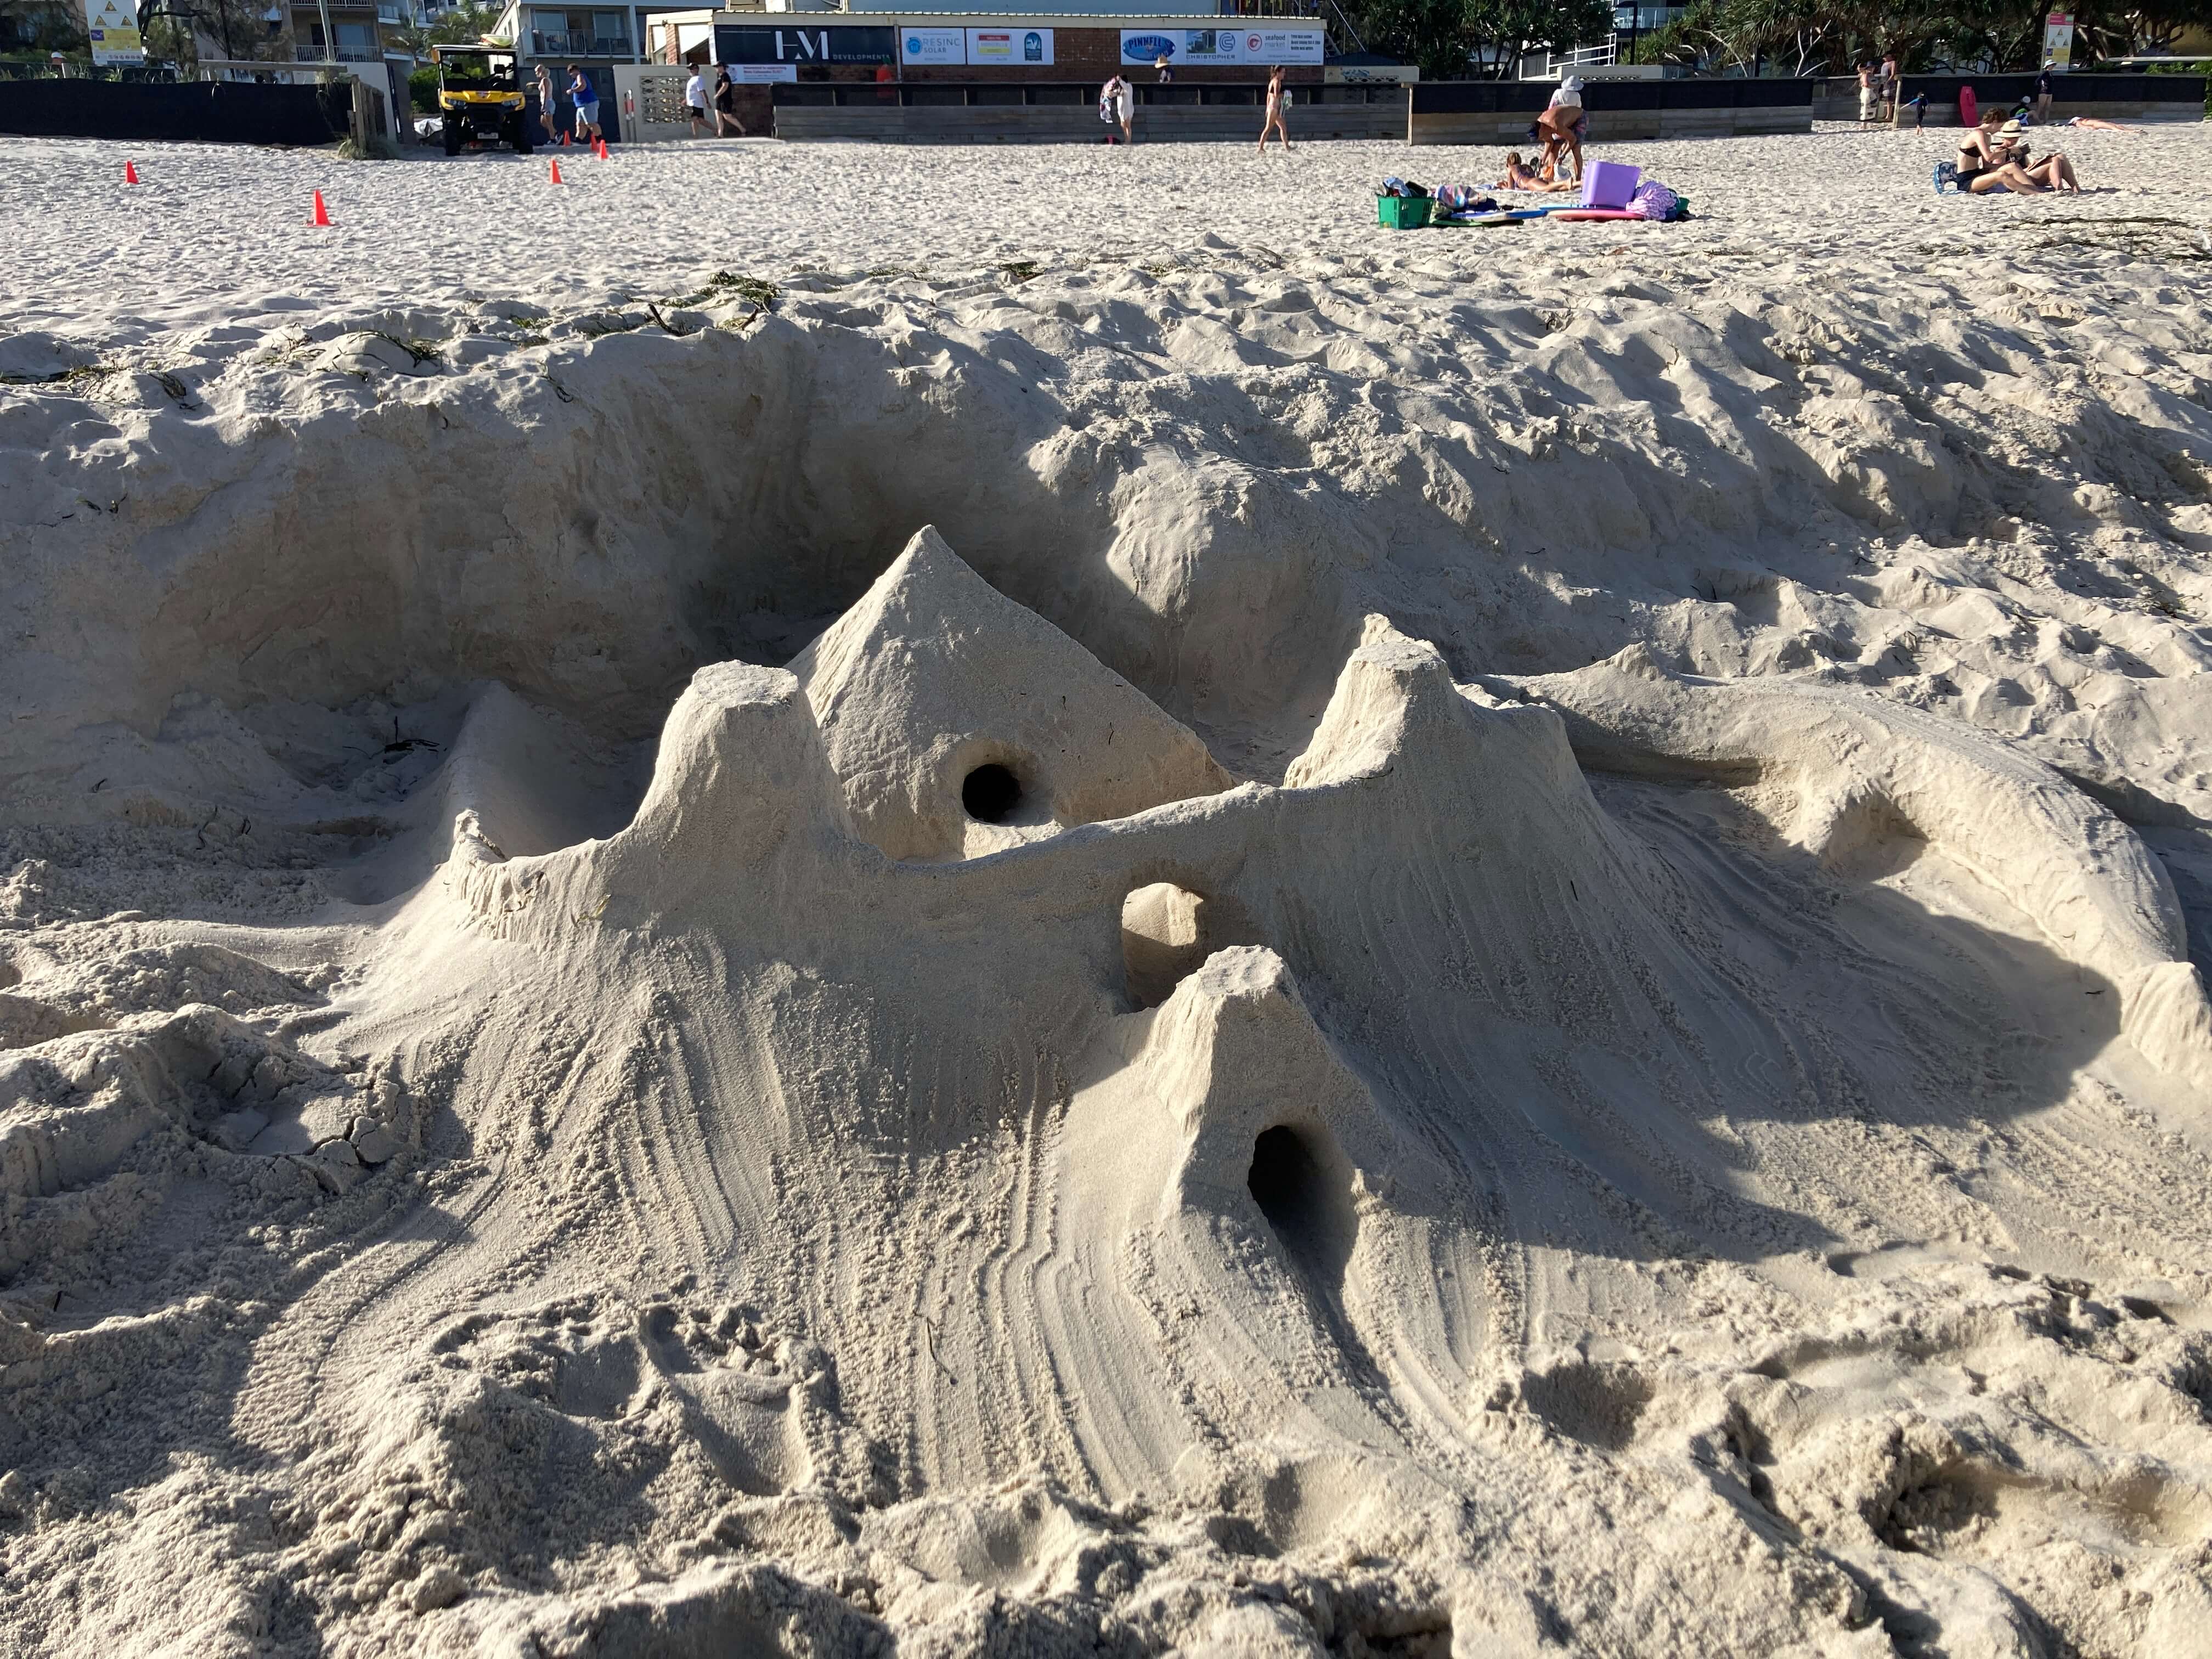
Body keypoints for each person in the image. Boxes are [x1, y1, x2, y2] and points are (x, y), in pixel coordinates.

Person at [1995, 119, 2078, 191]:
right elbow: (1999, 171)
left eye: (2016, 138)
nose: (2014, 140)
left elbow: (2026, 165)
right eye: (2011, 138)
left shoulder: (2016, 149)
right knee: (2055, 160)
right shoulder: (2000, 151)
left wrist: (2032, 165)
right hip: (2019, 178)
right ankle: (2059, 188)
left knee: (2060, 156)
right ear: (2004, 138)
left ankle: (2075, 187)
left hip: (2027, 174)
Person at [1534, 75, 1585, 179]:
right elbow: (1577, 109)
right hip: (1572, 120)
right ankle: (1578, 178)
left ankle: (1550, 175)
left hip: (1560, 121)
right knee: (1576, 151)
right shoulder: (1577, 96)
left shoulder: (1558, 92)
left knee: (1555, 148)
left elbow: (1551, 107)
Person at [1496, 150, 1577, 193]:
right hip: (1536, 180)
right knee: (1555, 188)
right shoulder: (1526, 167)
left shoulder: (1511, 168)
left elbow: (1511, 189)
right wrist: (1506, 182)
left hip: (1529, 184)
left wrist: (1502, 186)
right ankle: (1578, 184)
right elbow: (1529, 178)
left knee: (1546, 189)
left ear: (1509, 162)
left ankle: (1565, 182)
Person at [1256, 65, 1291, 152]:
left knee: (1283, 127)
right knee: (1268, 128)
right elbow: (1276, 95)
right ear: (1278, 73)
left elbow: (1269, 95)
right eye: (1283, 72)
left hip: (1273, 108)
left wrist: (1267, 107)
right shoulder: (1277, 82)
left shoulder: (1272, 81)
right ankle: (1260, 147)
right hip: (1275, 108)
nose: (1284, 74)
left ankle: (1287, 147)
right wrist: (1286, 94)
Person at [568, 65, 600, 145]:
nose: (571, 75)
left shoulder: (580, 76)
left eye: (571, 72)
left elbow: (583, 86)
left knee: (591, 123)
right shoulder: (577, 79)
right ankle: (579, 140)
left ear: (575, 71)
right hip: (581, 105)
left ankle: (599, 140)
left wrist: (572, 90)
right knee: (580, 124)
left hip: (588, 103)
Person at [712, 64, 745, 136]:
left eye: (717, 67)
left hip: (725, 99)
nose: (716, 68)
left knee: (727, 116)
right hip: (719, 100)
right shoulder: (720, 77)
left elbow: (725, 86)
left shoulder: (725, 76)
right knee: (718, 116)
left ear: (722, 67)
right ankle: (720, 134)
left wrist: (718, 94)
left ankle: (742, 129)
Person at [684, 61, 712, 137]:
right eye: (690, 69)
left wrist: (707, 102)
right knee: (701, 121)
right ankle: (715, 130)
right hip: (692, 103)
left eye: (692, 69)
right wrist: (686, 100)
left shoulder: (699, 79)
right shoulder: (691, 80)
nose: (690, 71)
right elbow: (691, 92)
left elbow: (702, 90)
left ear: (696, 70)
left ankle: (696, 136)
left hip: (696, 103)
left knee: (694, 119)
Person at [534, 63, 558, 148]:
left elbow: (547, 93)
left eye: (537, 71)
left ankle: (553, 140)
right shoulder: (544, 80)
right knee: (543, 122)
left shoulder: (545, 80)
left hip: (548, 102)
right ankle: (556, 134)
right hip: (547, 102)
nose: (536, 73)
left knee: (549, 122)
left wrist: (544, 104)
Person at [2034, 58, 2055, 126]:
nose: (2053, 66)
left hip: (2050, 92)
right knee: (2041, 107)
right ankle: (2036, 121)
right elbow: (2037, 81)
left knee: (2048, 107)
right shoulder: (2045, 73)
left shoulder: (2050, 74)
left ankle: (2046, 121)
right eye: (2052, 65)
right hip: (2044, 92)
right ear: (2048, 66)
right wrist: (2043, 86)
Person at [1858, 61, 1880, 127]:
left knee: (1872, 108)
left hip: (1872, 92)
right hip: (1867, 92)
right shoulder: (1865, 74)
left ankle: (1869, 123)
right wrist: (1875, 86)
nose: (1873, 68)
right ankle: (1864, 124)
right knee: (1865, 107)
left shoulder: (1872, 75)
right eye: (1872, 67)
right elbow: (1866, 84)